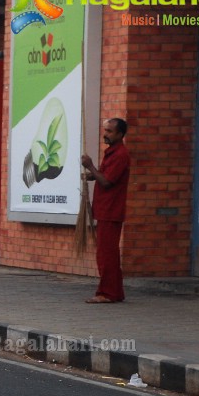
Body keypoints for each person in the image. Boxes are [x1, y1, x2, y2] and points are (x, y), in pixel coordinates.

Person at [81, 118, 130, 304]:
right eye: (105, 130)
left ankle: (108, 293)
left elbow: (108, 182)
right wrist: (91, 175)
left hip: (111, 210)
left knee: (106, 254)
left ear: (120, 134)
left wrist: (90, 166)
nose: (106, 134)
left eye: (110, 131)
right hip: (105, 209)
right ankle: (114, 292)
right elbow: (103, 176)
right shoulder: (112, 153)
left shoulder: (120, 155)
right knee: (108, 253)